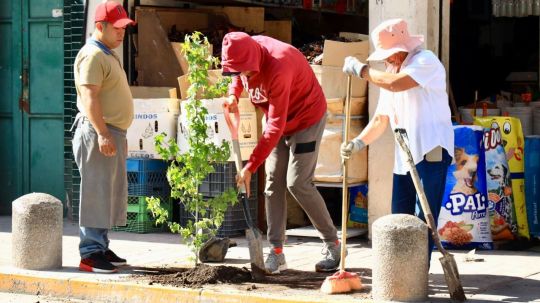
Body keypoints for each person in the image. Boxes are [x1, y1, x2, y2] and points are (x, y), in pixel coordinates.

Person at [221, 32, 341, 274]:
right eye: (239, 71)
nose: (244, 76)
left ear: (254, 60)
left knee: (298, 183)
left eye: (247, 71)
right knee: (273, 183)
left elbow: (275, 127)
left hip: (305, 119)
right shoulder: (244, 53)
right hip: (276, 119)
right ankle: (276, 251)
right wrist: (234, 94)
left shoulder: (280, 65)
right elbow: (237, 74)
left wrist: (250, 166)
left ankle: (333, 243)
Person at [341, 18, 454, 262]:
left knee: (425, 217)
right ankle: (401, 270)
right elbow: (382, 118)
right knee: (400, 215)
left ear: (403, 48)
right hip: (405, 154)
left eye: (390, 55)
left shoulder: (426, 61)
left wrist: (362, 71)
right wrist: (357, 143)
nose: (387, 60)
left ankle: (418, 271)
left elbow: (395, 85)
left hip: (431, 149)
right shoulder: (390, 71)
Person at [72, 1, 136, 273]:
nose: (122, 33)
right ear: (100, 27)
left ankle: (100, 246)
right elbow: (90, 96)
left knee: (107, 193)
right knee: (96, 192)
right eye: (118, 28)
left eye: (124, 28)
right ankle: (89, 253)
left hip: (111, 132)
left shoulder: (107, 53)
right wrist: (103, 133)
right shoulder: (93, 55)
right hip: (99, 130)